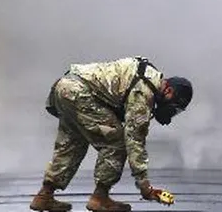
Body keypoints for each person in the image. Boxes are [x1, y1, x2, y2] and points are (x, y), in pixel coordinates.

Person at [29, 56, 193, 212]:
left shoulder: (147, 75)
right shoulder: (144, 92)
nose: (171, 112)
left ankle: (44, 195)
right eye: (174, 107)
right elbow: (134, 140)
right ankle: (100, 198)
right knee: (117, 142)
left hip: (65, 87)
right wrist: (145, 186)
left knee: (72, 143)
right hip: (81, 93)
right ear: (168, 90)